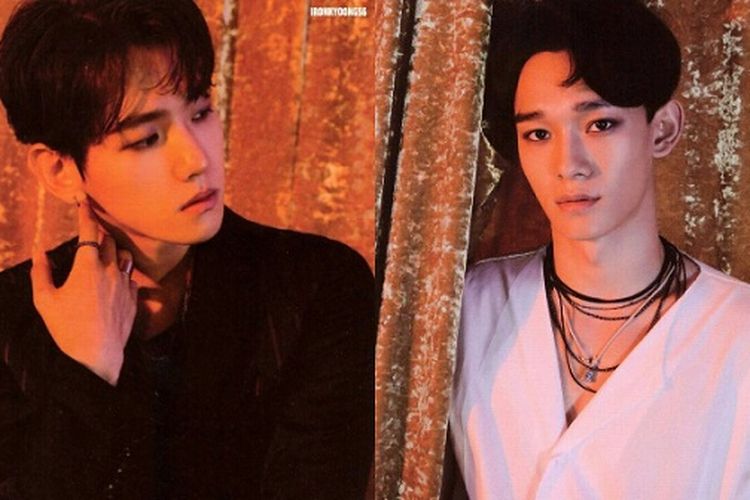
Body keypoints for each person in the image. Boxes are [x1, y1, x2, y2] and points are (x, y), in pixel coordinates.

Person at [0, 0, 375, 498]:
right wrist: (88, 371)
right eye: (146, 138)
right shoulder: (10, 321)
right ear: (60, 170)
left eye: (200, 112)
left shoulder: (317, 285)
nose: (197, 159)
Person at [448, 0, 750, 498]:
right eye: (538, 134)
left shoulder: (737, 333)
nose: (569, 164)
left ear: (663, 129)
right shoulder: (468, 309)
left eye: (600, 125)